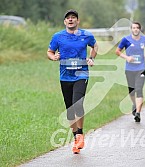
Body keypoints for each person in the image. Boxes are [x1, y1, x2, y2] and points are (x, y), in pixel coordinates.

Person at [47, 9, 98, 154]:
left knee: (78, 103)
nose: (70, 20)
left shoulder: (86, 35)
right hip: (65, 76)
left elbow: (95, 46)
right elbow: (49, 51)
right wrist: (53, 57)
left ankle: (80, 134)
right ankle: (76, 138)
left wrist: (91, 58)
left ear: (77, 21)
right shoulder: (58, 37)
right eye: (68, 18)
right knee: (70, 110)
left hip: (81, 75)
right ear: (65, 21)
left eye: (73, 18)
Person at [115, 22, 145, 122]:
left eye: (137, 28)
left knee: (139, 89)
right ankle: (135, 104)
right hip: (129, 69)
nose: (135, 29)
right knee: (132, 90)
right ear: (131, 29)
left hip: (141, 68)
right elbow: (117, 51)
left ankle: (138, 113)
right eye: (134, 28)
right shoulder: (126, 40)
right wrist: (127, 57)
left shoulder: (144, 39)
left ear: (140, 29)